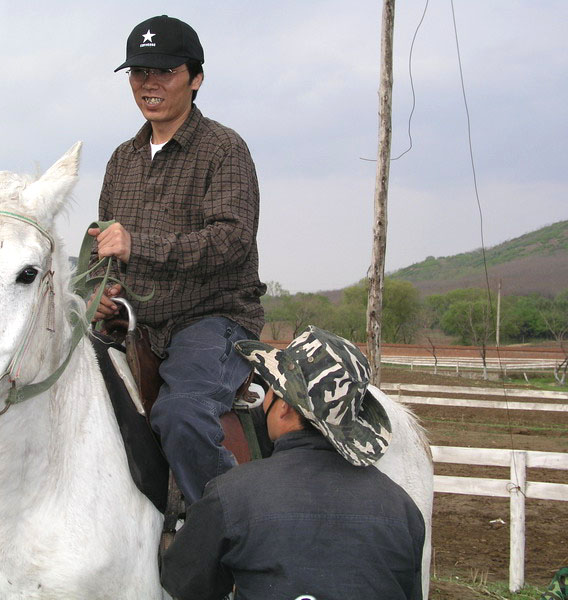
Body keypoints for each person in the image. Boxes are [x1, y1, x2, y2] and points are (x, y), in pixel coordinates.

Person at [89, 15, 266, 505]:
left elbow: (232, 241)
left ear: (197, 78)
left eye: (165, 71)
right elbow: (107, 251)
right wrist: (101, 292)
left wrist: (136, 244)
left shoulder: (224, 149)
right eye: (139, 71)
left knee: (181, 415)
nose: (150, 83)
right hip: (134, 321)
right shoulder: (121, 159)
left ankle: (223, 536)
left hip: (212, 319)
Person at [160, 326, 426, 600]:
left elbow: (184, 583)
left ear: (285, 406)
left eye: (271, 390)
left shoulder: (230, 495)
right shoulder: (404, 509)